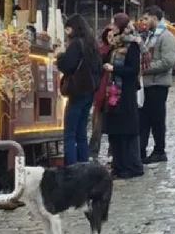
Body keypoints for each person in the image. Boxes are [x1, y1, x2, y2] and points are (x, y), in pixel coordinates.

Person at [102, 13, 144, 179]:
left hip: (125, 93)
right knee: (115, 131)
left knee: (127, 131)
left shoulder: (132, 45)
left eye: (114, 25)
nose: (111, 27)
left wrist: (114, 69)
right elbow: (104, 59)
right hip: (113, 93)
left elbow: (133, 70)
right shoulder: (115, 45)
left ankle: (130, 166)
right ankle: (118, 166)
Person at [56, 14, 102, 166]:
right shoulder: (92, 44)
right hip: (90, 92)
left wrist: (59, 57)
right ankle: (84, 166)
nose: (67, 32)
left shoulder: (76, 44)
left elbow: (67, 65)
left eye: (67, 29)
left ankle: (71, 168)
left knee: (70, 133)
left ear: (74, 28)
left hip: (77, 91)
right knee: (81, 132)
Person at [139, 6, 175, 164]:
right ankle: (142, 150)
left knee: (157, 120)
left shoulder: (166, 37)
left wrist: (144, 69)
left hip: (158, 84)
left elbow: (168, 62)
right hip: (147, 85)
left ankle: (159, 150)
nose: (144, 22)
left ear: (155, 18)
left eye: (146, 18)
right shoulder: (151, 36)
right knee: (145, 120)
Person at [89, 25, 116, 161]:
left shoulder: (118, 51)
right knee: (97, 126)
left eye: (113, 36)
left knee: (112, 124)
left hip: (113, 91)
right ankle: (93, 152)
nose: (111, 39)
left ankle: (112, 152)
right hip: (100, 91)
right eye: (109, 37)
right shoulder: (100, 51)